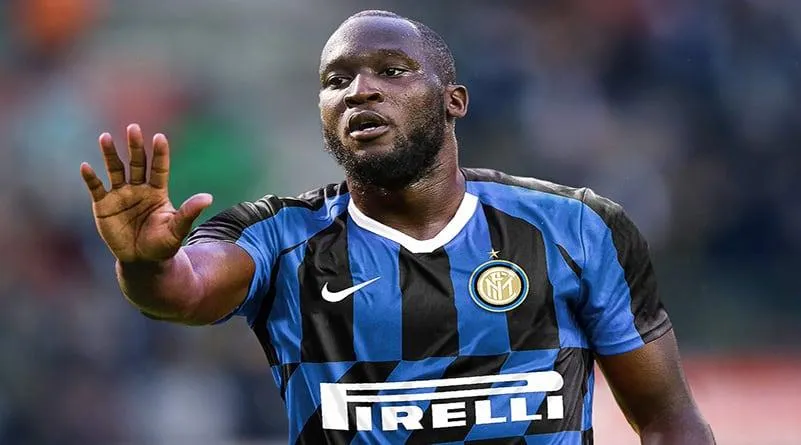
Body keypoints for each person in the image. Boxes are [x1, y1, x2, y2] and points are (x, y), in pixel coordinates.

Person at [79, 10, 715, 445]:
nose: (360, 90)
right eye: (337, 80)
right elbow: (183, 291)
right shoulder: (278, 237)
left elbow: (669, 422)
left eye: (391, 71)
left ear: (453, 100)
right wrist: (144, 263)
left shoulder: (580, 229)